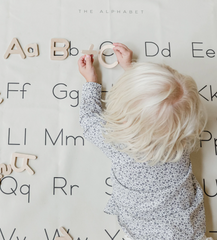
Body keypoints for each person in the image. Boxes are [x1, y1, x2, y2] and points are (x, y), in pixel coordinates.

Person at [78, 43, 212, 240]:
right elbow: (157, 112)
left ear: (124, 120)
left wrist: (91, 81)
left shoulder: (116, 142)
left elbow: (88, 120)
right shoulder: (180, 141)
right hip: (188, 232)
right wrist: (131, 69)